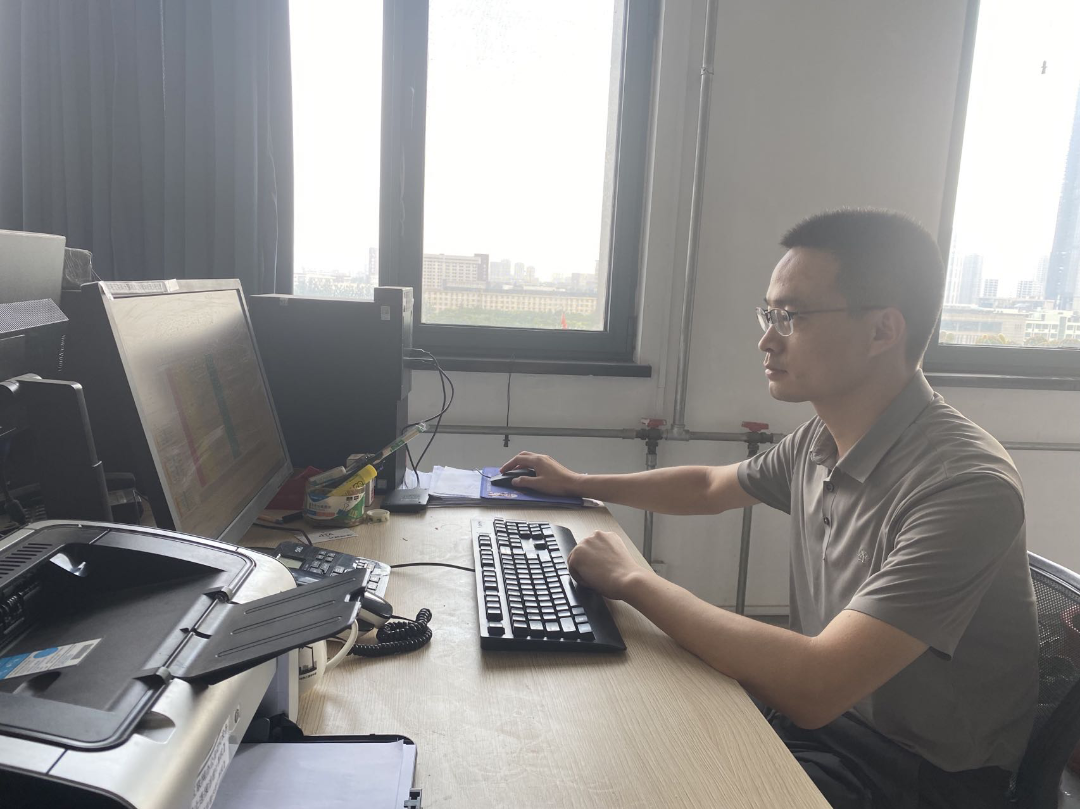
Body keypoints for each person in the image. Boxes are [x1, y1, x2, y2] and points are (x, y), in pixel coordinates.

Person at [500, 209, 1038, 809]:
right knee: (612, 737)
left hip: (917, 774)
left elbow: (818, 684)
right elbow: (709, 486)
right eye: (769, 314)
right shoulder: (822, 439)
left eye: (792, 317)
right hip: (824, 727)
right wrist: (578, 483)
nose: (766, 339)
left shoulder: (964, 486)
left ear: (883, 330)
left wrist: (632, 580)